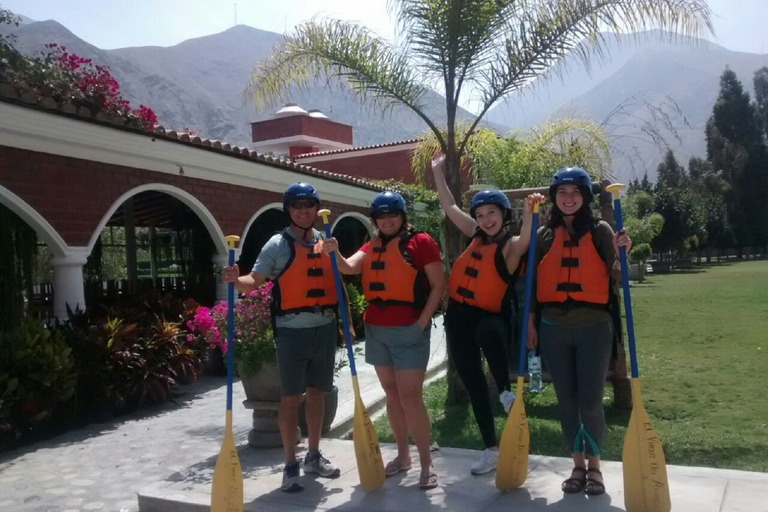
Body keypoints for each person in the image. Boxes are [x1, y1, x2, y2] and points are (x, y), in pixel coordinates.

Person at [321, 191, 445, 490]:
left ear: (402, 216)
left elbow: (439, 284)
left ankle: (426, 462)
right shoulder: (372, 244)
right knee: (391, 394)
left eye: (392, 214)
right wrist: (333, 251)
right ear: (375, 220)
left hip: (409, 330)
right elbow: (348, 267)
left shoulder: (420, 242)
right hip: (377, 329)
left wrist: (421, 323)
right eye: (381, 216)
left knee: (410, 396)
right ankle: (403, 457)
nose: (387, 220)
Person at [221, 182, 341, 494]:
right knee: (290, 399)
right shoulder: (277, 244)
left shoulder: (326, 242)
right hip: (291, 332)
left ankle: (314, 456)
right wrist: (237, 279)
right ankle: (290, 465)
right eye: (297, 206)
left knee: (318, 394)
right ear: (288, 210)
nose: (303, 211)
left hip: (325, 327)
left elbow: (341, 277)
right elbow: (254, 281)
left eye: (309, 205)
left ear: (316, 209)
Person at [430, 154, 545, 475]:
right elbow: (450, 207)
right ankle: (490, 449)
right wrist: (438, 171)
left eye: (491, 213)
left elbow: (526, 241)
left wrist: (532, 211)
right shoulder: (474, 234)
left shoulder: (509, 247)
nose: (484, 219)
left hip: (490, 319)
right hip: (458, 319)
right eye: (480, 214)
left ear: (503, 214)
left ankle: (506, 391)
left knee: (488, 331)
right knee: (473, 384)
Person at [526, 167, 632, 496]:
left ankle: (596, 468)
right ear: (555, 198)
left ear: (584, 197)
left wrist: (621, 252)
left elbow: (617, 274)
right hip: (553, 328)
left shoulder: (600, 230)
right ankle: (576, 465)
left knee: (590, 403)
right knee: (567, 402)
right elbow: (531, 283)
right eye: (562, 193)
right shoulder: (544, 235)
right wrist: (531, 322)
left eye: (575, 193)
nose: (568, 198)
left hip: (593, 328)